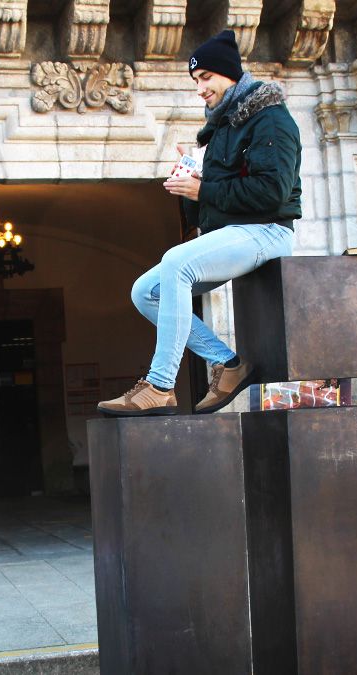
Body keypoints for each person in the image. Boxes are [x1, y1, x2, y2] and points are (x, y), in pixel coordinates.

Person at [97, 29, 301, 417]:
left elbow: (272, 193)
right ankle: (229, 364)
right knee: (145, 291)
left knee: (176, 262)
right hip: (233, 232)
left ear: (231, 75)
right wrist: (193, 185)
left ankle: (159, 385)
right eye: (195, 80)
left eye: (206, 77)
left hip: (268, 231)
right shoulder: (222, 130)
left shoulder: (270, 120)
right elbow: (213, 207)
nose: (200, 89)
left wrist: (204, 189)